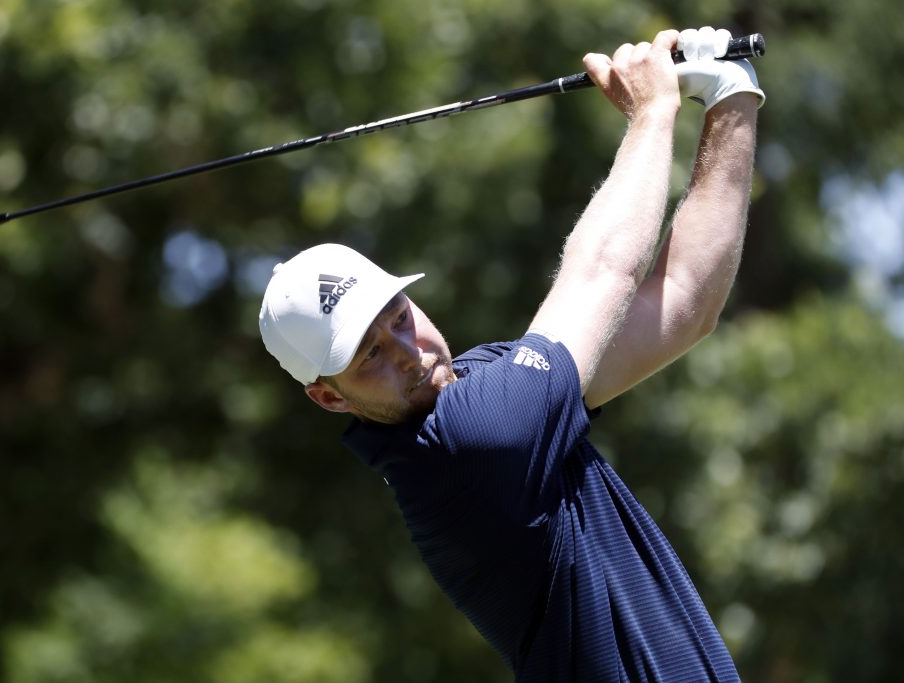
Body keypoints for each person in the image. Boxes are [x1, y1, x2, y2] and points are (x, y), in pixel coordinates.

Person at [259, 26, 763, 682]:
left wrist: (730, 95)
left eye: (399, 319)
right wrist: (653, 112)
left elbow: (685, 302)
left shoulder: (488, 386)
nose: (409, 353)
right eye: (369, 356)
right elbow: (604, 269)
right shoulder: (470, 444)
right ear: (328, 395)